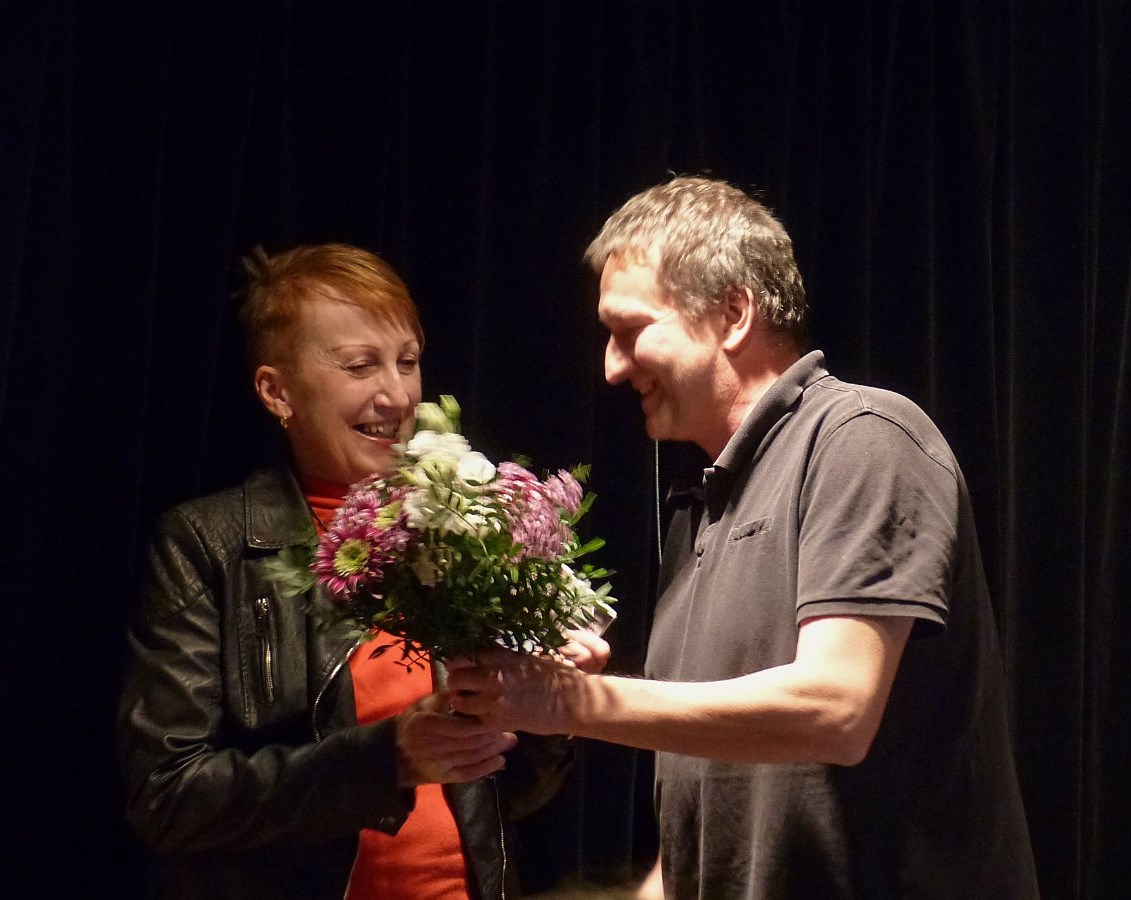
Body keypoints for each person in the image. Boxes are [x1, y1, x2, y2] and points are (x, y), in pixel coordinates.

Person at [446, 177, 1040, 898]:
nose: (611, 366)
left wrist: (569, 701)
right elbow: (715, 798)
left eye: (631, 330)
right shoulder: (698, 507)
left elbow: (836, 710)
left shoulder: (862, 439)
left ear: (733, 314)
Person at [118, 243, 609, 900]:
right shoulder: (208, 543)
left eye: (407, 361)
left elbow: (508, 796)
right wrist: (383, 762)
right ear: (276, 391)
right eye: (359, 366)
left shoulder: (458, 524)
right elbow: (167, 799)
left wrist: (555, 709)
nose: (397, 395)